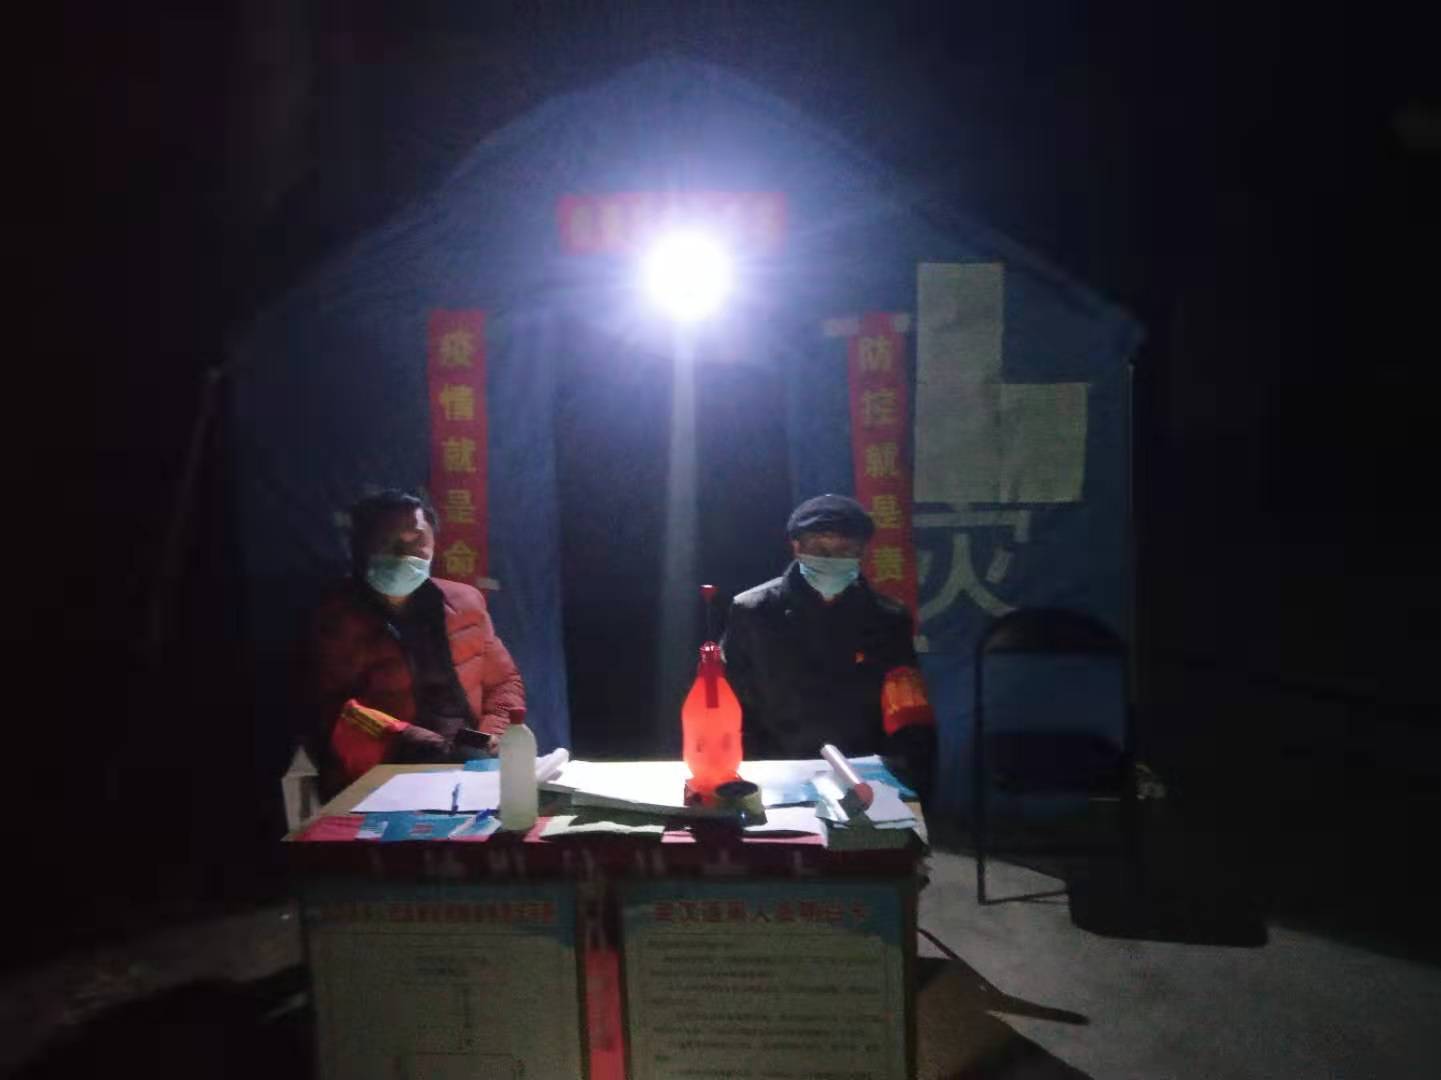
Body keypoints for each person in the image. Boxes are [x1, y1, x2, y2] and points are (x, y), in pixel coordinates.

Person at [305, 490, 525, 793]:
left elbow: (504, 682)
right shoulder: (336, 619)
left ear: (433, 544)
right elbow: (332, 710)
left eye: (417, 540)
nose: (404, 553)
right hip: (383, 775)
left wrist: (493, 735)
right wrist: (417, 744)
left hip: (472, 768)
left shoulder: (466, 603)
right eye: (389, 541)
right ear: (361, 546)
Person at [722, 494, 937, 801]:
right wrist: (741, 777)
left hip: (863, 772)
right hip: (775, 770)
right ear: (797, 546)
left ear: (862, 552)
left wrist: (910, 785)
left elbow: (906, 712)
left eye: (846, 550)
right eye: (821, 549)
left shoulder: (888, 619)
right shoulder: (754, 612)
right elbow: (729, 702)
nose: (833, 559)